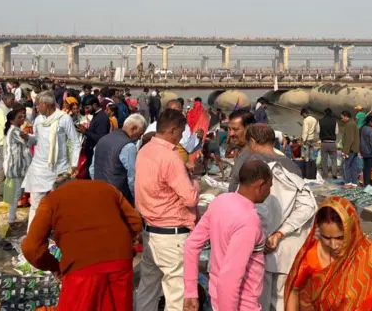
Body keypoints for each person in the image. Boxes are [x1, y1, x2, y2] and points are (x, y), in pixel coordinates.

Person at [232, 125, 317, 311]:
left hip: (257, 249)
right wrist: (279, 234)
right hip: (286, 247)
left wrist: (262, 239)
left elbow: (243, 205)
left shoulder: (251, 165)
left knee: (255, 301)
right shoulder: (292, 166)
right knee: (282, 301)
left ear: (253, 142)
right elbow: (307, 206)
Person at [22, 180, 143, 311]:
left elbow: (31, 248)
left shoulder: (51, 200)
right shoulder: (108, 189)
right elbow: (136, 222)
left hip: (81, 269)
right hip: (120, 261)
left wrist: (54, 266)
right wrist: (120, 243)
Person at [284, 196, 372, 311]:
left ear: (353, 231)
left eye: (340, 238)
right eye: (326, 238)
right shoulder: (312, 255)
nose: (333, 245)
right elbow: (294, 290)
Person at [183, 159, 272, 311]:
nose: (269, 192)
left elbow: (192, 244)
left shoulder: (221, 201)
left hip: (215, 298)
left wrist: (190, 291)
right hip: (239, 305)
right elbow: (229, 278)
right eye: (269, 186)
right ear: (260, 184)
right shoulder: (249, 220)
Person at [135, 109, 200, 311]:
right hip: (172, 235)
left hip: (151, 230)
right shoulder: (170, 157)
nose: (181, 139)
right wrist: (195, 182)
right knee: (176, 294)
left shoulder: (144, 150)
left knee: (148, 287)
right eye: (180, 133)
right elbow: (189, 198)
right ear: (172, 130)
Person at [23, 91, 81, 230]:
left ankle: (60, 234)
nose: (36, 108)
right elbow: (36, 139)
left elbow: (75, 142)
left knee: (60, 204)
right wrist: (27, 138)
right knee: (36, 204)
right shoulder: (38, 120)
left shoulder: (64, 118)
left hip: (59, 168)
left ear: (45, 104)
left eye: (37, 105)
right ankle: (33, 235)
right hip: (39, 168)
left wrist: (74, 165)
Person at [91, 114, 147, 205]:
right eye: (140, 134)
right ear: (133, 128)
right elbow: (132, 179)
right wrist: (136, 201)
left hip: (99, 193)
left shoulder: (102, 140)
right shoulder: (129, 147)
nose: (140, 138)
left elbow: (92, 169)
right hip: (118, 197)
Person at [137, 99, 203, 161]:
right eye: (173, 111)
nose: (176, 114)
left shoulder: (185, 127)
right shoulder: (154, 126)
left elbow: (188, 148)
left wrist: (197, 138)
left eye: (178, 112)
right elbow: (142, 145)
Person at [3, 108, 32, 224]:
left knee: (18, 192)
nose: (22, 119)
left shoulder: (16, 130)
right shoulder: (14, 131)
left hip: (19, 166)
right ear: (11, 120)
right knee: (16, 194)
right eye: (19, 117)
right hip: (16, 166)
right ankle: (11, 219)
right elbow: (27, 141)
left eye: (22, 116)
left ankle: (12, 217)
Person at [77, 96, 110, 179]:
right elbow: (94, 131)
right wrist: (85, 130)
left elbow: (100, 137)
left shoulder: (102, 118)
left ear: (94, 105)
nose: (86, 110)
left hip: (95, 152)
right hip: (90, 150)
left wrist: (85, 132)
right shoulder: (96, 115)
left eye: (88, 107)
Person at [0, 92, 15, 195]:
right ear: (5, 100)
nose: (13, 103)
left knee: (9, 165)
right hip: (3, 141)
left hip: (9, 141)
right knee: (4, 166)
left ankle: (7, 188)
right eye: (11, 101)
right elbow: (5, 125)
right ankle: (1, 189)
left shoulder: (9, 110)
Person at [340, 111, 360, 188]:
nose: (341, 119)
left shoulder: (350, 124)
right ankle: (354, 183)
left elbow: (350, 139)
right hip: (354, 149)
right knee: (353, 166)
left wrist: (345, 151)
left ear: (345, 116)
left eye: (342, 117)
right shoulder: (353, 123)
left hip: (351, 149)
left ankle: (348, 183)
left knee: (347, 166)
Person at [318, 108, 339, 179]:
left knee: (324, 159)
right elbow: (336, 132)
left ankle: (325, 174)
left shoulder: (320, 121)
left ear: (324, 113)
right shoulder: (334, 121)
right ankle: (334, 174)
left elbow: (317, 131)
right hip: (332, 143)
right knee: (334, 159)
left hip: (324, 143)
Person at [359, 115, 372, 187]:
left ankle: (366, 181)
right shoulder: (370, 130)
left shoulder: (362, 128)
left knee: (365, 167)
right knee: (369, 168)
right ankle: (367, 183)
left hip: (363, 151)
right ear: (371, 122)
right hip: (370, 152)